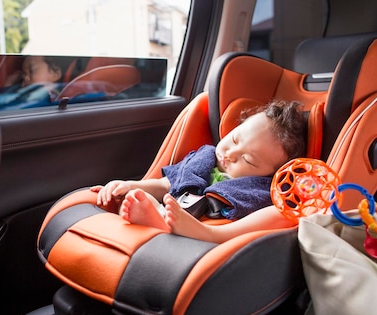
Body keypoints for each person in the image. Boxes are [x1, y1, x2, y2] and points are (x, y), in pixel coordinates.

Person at [91, 100, 308, 243]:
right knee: (138, 196)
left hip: (211, 231)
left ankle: (197, 231)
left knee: (280, 213)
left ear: (270, 173)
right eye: (234, 139)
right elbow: (166, 184)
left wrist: (206, 232)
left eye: (248, 160)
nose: (231, 154)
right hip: (174, 209)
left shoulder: (258, 189)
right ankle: (158, 216)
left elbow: (278, 216)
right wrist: (131, 185)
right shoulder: (203, 159)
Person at [0, 55, 66, 110]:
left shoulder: (48, 93)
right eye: (24, 74)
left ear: (55, 73)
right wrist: (9, 85)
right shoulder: (35, 91)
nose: (26, 77)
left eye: (31, 71)